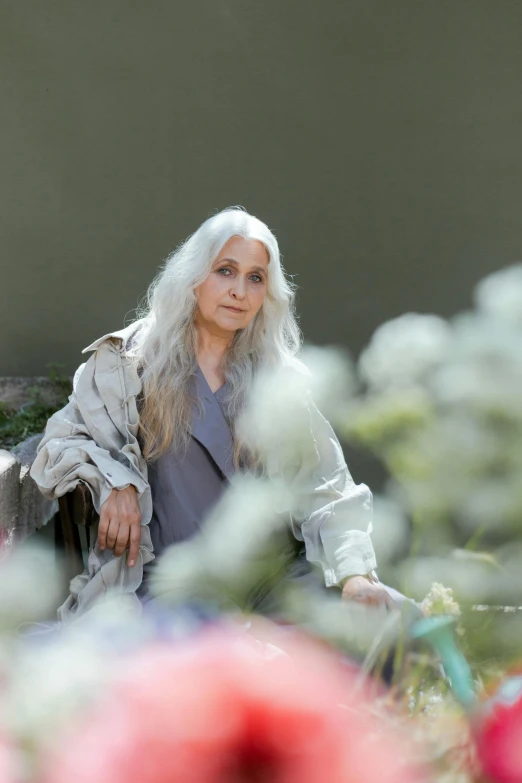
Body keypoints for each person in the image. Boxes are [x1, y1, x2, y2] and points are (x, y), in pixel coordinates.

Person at [30, 207, 398, 623]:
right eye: (225, 270)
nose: (239, 291)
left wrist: (354, 575)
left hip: (271, 584)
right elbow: (60, 443)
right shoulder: (130, 362)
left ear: (266, 295)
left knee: (390, 620)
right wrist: (118, 483)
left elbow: (329, 487)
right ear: (193, 276)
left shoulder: (279, 378)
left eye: (255, 277)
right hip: (172, 589)